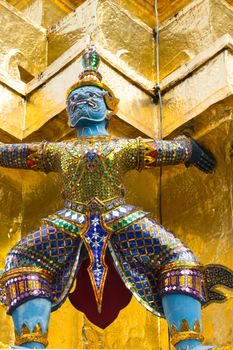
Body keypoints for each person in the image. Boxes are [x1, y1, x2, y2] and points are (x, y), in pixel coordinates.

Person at [0, 46, 231, 350]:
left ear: (109, 109)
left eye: (91, 99)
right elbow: (13, 154)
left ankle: (189, 342)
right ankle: (30, 343)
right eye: (75, 102)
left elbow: (155, 151)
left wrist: (186, 149)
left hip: (120, 215)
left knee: (179, 257)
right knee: (21, 257)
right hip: (68, 220)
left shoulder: (121, 147)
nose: (82, 104)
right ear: (68, 114)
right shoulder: (57, 151)